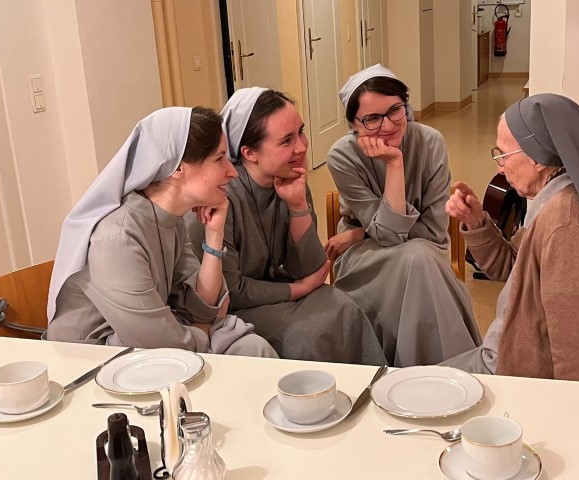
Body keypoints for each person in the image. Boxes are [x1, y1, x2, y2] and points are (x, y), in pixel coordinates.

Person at [441, 93, 579, 383]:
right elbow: (511, 268)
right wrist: (476, 222)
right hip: (513, 354)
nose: (499, 167)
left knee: (408, 390)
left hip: (519, 375)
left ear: (536, 157)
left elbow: (578, 353)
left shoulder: (566, 226)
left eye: (503, 155)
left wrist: (567, 411)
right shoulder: (562, 196)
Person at [47, 106, 277, 358]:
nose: (232, 171)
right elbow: (156, 341)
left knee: (254, 347)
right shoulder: (116, 238)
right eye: (219, 158)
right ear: (177, 168)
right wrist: (202, 331)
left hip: (156, 339)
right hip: (96, 358)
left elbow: (206, 307)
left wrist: (214, 235)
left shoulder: (170, 218)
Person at [186, 88, 386, 365]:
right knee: (309, 335)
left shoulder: (291, 179)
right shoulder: (220, 198)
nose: (302, 147)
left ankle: (369, 388)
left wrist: (297, 206)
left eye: (300, 132)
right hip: (231, 309)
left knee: (345, 308)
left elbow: (309, 269)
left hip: (277, 289)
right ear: (249, 152)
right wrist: (300, 289)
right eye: (286, 141)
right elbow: (232, 291)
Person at [326, 65, 481, 367]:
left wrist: (359, 232)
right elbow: (388, 237)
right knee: (416, 259)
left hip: (422, 249)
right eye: (372, 118)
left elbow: (434, 232)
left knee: (418, 257)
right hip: (364, 259)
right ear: (353, 124)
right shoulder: (342, 156)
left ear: (405, 106)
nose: (387, 125)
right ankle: (453, 370)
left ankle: (412, 372)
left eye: (395, 110)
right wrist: (395, 164)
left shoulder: (430, 141)